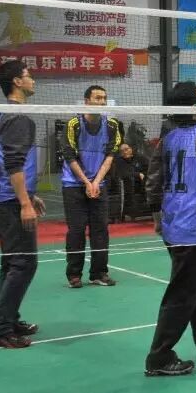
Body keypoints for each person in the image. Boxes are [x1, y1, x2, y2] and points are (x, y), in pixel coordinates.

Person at [144, 82, 196, 377]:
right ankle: (159, 356)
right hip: (193, 228)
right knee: (182, 292)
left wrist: (157, 217)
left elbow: (153, 182)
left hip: (172, 224)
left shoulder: (167, 139)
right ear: (194, 108)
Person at [0, 60, 43, 349]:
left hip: (6, 197)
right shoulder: (18, 116)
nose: (33, 80)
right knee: (24, 263)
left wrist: (29, 195)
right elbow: (13, 163)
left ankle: (9, 318)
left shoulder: (6, 113)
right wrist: (24, 203)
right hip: (10, 200)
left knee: (11, 263)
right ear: (17, 82)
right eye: (28, 76)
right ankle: (0, 330)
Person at [60, 85, 122, 288]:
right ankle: (74, 274)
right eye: (97, 98)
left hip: (98, 183)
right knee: (76, 230)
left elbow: (110, 156)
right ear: (87, 101)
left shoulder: (112, 125)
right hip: (73, 184)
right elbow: (70, 156)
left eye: (104, 98)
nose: (102, 102)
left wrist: (95, 182)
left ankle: (99, 273)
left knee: (100, 230)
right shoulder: (73, 125)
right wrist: (86, 182)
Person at [113, 142, 150, 222]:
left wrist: (143, 175)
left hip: (142, 183)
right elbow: (123, 173)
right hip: (128, 184)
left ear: (131, 149)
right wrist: (138, 174)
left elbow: (150, 168)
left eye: (126, 149)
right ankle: (130, 213)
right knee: (129, 180)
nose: (125, 152)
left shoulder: (140, 158)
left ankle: (151, 207)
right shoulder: (119, 160)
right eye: (122, 151)